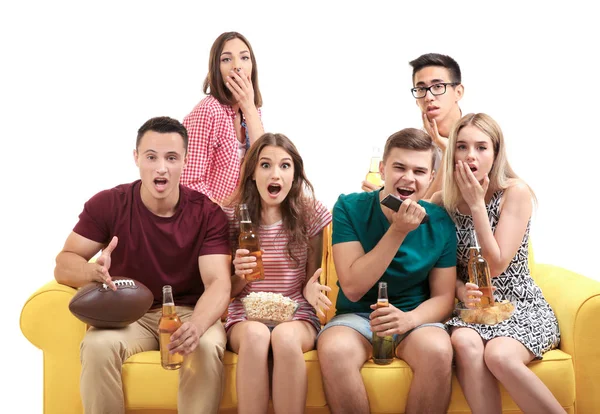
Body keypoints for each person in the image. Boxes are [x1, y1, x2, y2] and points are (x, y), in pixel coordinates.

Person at [54, 116, 232, 414]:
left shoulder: (207, 213)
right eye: (151, 157)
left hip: (188, 312)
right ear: (136, 158)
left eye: (171, 158)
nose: (161, 167)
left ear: (185, 162)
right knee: (98, 347)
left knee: (204, 345)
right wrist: (93, 272)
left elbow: (218, 282)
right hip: (127, 315)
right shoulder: (109, 204)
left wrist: (198, 326)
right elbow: (63, 264)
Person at [318, 128, 457, 414]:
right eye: (399, 167)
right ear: (382, 169)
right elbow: (354, 286)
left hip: (414, 319)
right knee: (334, 349)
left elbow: (444, 298)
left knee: (439, 350)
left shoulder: (441, 221)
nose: (408, 178)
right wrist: (398, 230)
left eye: (419, 171)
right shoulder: (349, 207)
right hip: (356, 317)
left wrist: (408, 320)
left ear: (431, 177)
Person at [435, 113, 562, 413]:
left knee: (499, 356)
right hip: (473, 308)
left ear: (495, 153)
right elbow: (439, 268)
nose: (471, 156)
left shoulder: (514, 193)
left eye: (481, 147)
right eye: (462, 147)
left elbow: (496, 266)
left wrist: (478, 205)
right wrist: (458, 290)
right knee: (464, 343)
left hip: (520, 304)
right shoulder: (444, 203)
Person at [223, 133, 332, 414]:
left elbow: (313, 277)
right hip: (245, 317)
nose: (276, 174)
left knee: (284, 337)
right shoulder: (231, 216)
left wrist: (311, 288)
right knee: (257, 335)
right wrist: (239, 277)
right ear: (252, 174)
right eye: (266, 165)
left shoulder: (310, 213)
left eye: (285, 166)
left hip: (297, 315)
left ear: (294, 174)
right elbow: (225, 290)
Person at [362, 53, 464, 199]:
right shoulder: (416, 144)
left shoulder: (478, 138)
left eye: (438, 86)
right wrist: (386, 194)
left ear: (458, 92)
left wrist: (449, 152)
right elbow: (421, 205)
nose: (428, 97)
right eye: (421, 89)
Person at [181, 31, 264, 204]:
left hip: (246, 215)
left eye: (244, 58)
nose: (237, 66)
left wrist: (249, 108)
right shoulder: (208, 111)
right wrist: (219, 215)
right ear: (216, 68)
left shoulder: (253, 110)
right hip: (211, 219)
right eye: (226, 59)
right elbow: (189, 182)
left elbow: (264, 163)